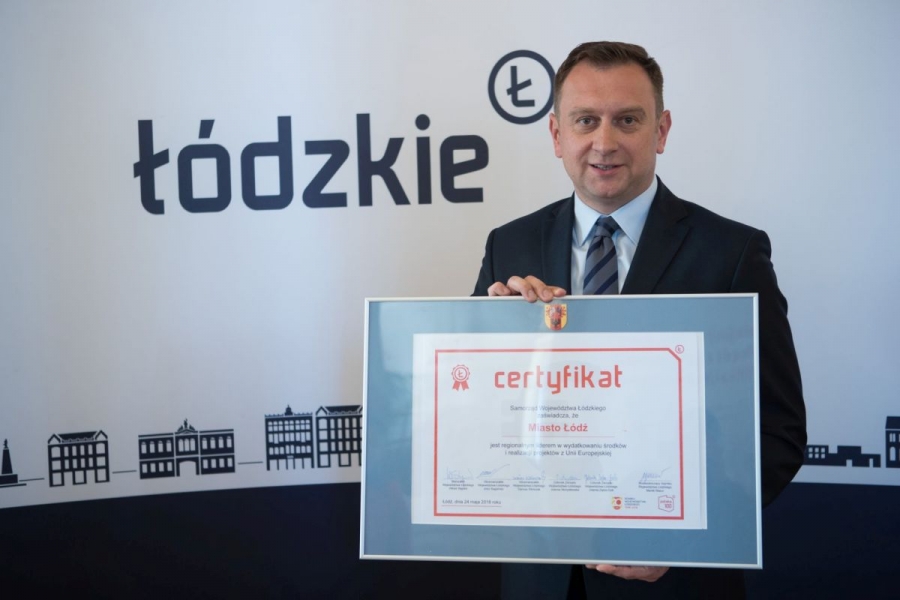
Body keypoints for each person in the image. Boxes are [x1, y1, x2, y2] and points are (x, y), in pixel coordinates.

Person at [472, 41, 807, 599]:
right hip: (540, 578)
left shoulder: (732, 254)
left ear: (661, 130)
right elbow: (474, 416)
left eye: (627, 120)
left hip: (673, 584)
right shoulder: (509, 247)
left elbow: (778, 432)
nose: (605, 143)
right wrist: (491, 342)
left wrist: (685, 534)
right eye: (585, 120)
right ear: (556, 134)